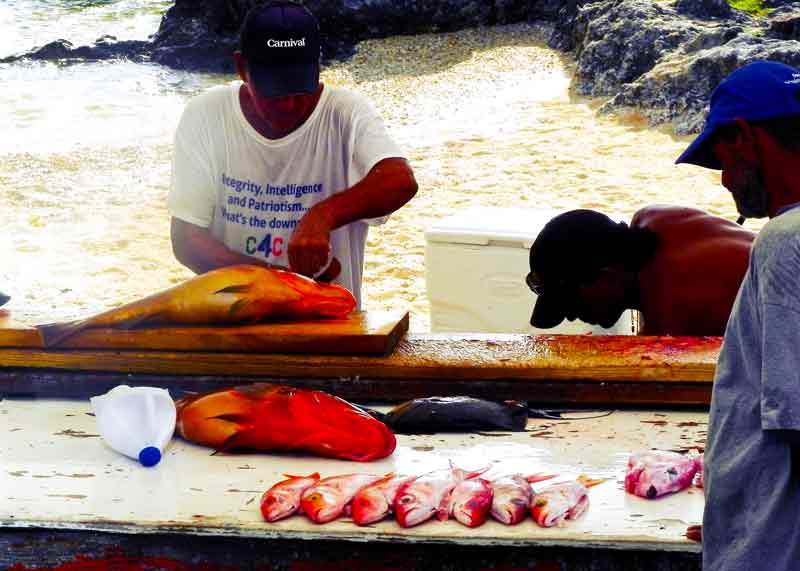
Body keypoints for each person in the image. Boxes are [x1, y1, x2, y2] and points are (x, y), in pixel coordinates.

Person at [167, 1, 418, 307]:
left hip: (328, 324)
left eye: (300, 89)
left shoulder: (344, 113)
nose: (288, 105)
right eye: (274, 92)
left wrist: (322, 216)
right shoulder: (206, 115)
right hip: (234, 320)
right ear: (241, 68)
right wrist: (278, 282)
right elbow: (187, 239)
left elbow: (399, 180)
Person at [674, 60, 800, 569]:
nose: (726, 179)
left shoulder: (785, 243)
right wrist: (731, 506)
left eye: (722, 159)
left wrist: (756, 526)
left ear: (746, 137)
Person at [525, 204, 754, 336]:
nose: (572, 316)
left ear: (606, 278)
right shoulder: (653, 217)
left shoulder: (675, 312)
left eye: (573, 303)